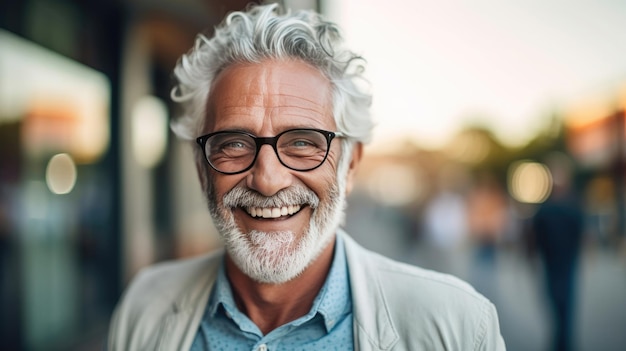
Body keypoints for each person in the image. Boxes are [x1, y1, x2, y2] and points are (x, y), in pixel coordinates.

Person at [107, 4, 506, 350]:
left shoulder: (458, 327)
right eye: (234, 144)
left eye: (302, 143)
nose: (268, 180)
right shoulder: (144, 305)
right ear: (201, 169)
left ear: (349, 165)